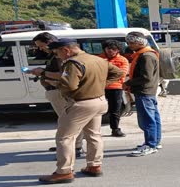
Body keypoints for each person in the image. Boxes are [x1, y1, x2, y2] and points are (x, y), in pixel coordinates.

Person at [39, 38, 123, 184]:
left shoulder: (73, 63)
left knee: (65, 137)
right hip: (99, 101)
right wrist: (101, 85)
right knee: (94, 135)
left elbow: (69, 86)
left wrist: (56, 84)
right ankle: (94, 165)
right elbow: (118, 73)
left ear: (66, 50)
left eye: (57, 53)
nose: (58, 56)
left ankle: (64, 171)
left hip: (81, 104)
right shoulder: (97, 59)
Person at [29, 32, 84, 157]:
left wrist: (43, 73)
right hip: (55, 91)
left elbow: (63, 76)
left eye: (41, 46)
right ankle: (66, 145)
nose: (40, 49)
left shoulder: (60, 57)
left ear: (49, 43)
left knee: (69, 121)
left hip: (60, 91)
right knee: (64, 120)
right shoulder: (54, 56)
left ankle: (75, 147)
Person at [123, 32, 162, 157]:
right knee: (153, 118)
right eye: (128, 43)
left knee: (147, 119)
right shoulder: (146, 54)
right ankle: (154, 142)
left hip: (144, 91)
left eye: (131, 43)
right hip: (148, 91)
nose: (129, 45)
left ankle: (150, 145)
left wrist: (128, 82)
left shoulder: (146, 56)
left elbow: (146, 77)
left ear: (140, 42)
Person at [100, 40, 129, 137]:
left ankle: (115, 129)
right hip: (99, 88)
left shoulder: (123, 60)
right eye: (108, 48)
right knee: (96, 110)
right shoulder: (99, 58)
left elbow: (121, 74)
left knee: (115, 110)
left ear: (118, 50)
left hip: (116, 88)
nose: (111, 51)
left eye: (114, 49)